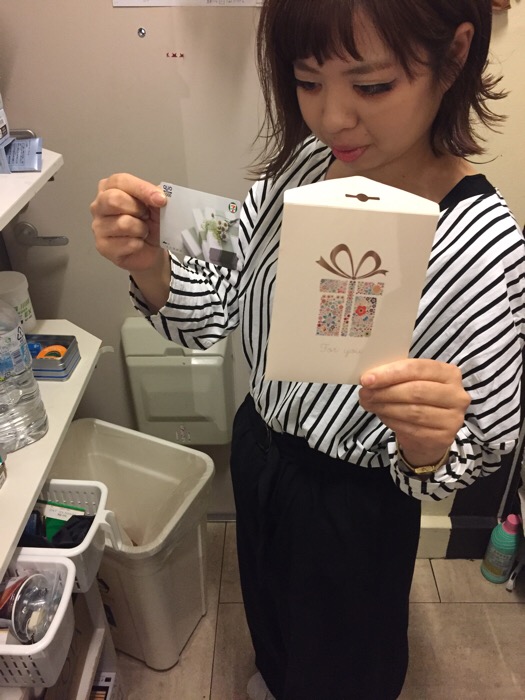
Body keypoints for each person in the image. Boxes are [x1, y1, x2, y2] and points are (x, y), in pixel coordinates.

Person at [90, 1, 525, 698]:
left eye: (372, 85)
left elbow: (478, 444)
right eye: (307, 81)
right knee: (269, 605)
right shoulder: (306, 166)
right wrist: (152, 265)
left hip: (355, 498)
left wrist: (428, 443)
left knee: (346, 656)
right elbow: (224, 294)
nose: (332, 118)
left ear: (452, 56)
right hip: (262, 447)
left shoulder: (483, 246)